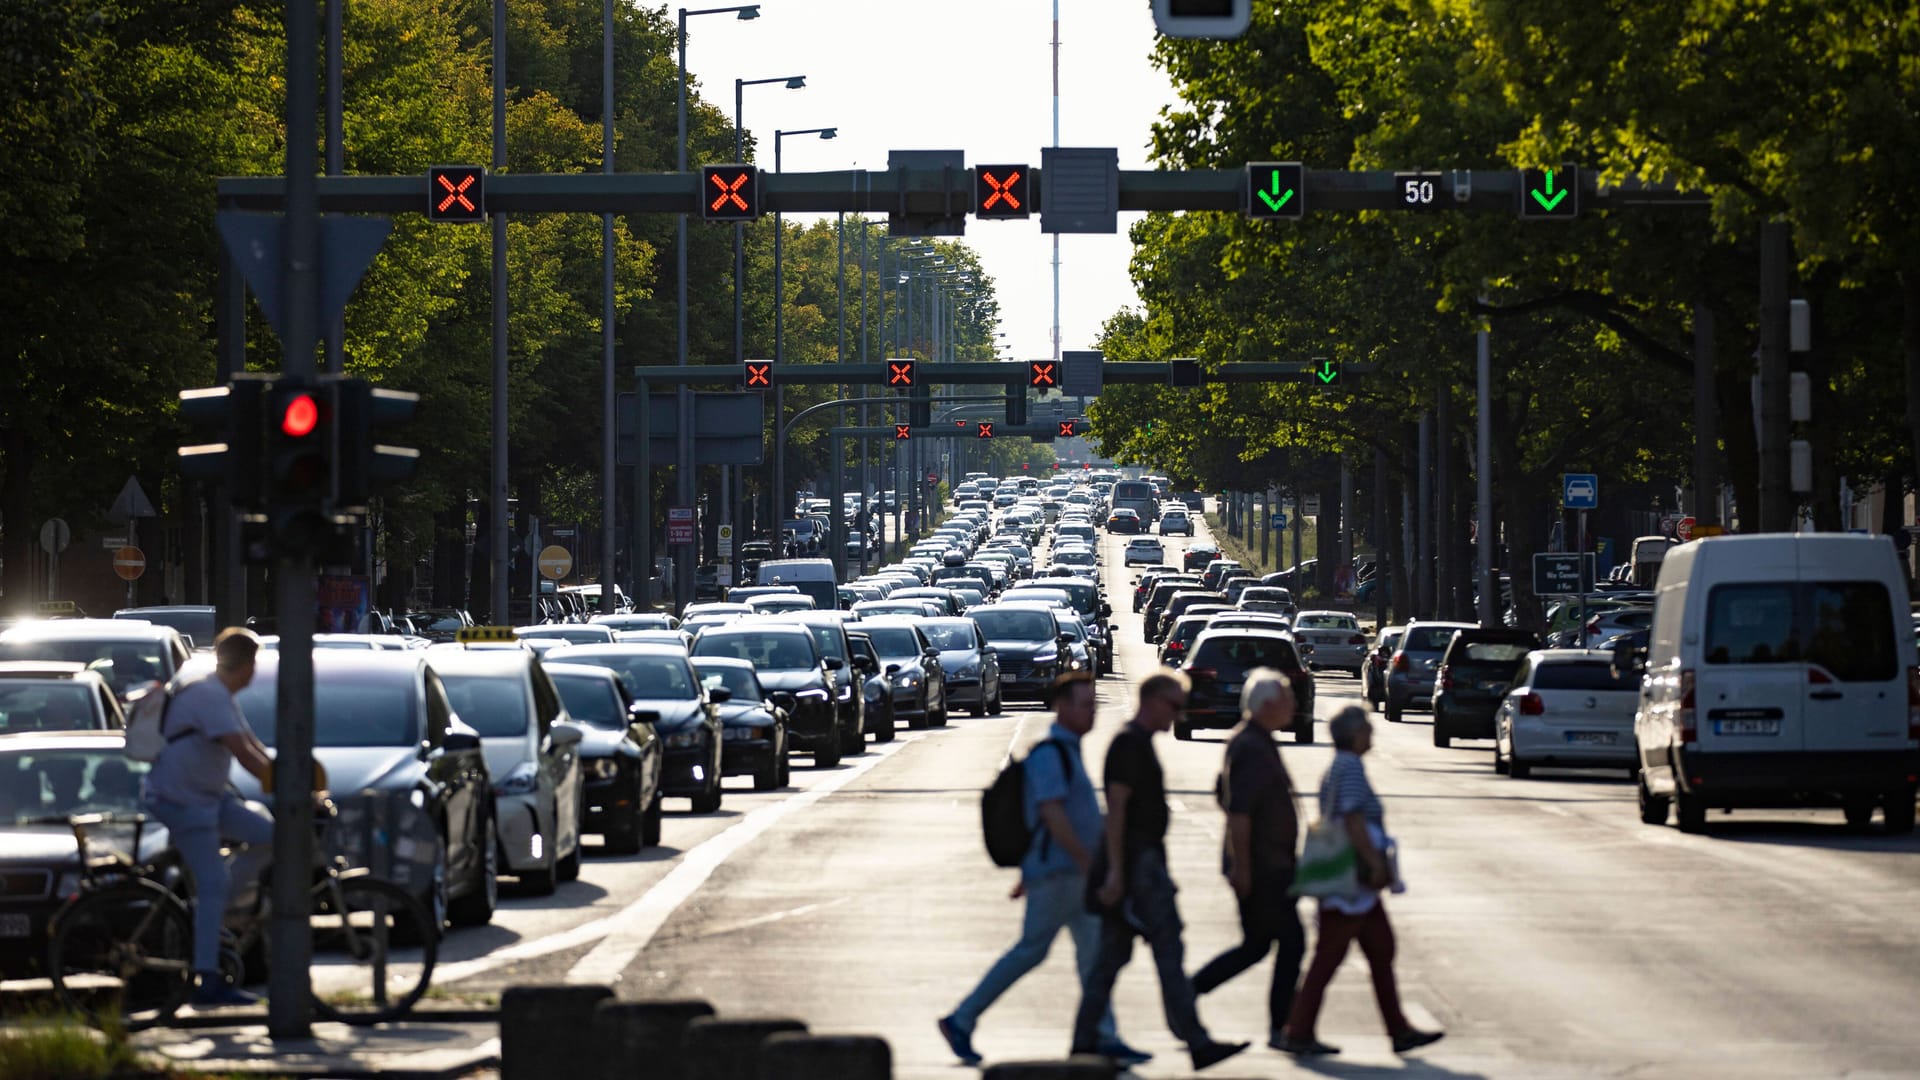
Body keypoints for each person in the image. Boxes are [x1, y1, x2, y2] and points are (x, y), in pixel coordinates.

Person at [939, 671, 1150, 1066]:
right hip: (1062, 876)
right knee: (1035, 952)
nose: (1091, 714)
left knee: (1088, 956)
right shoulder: (1051, 754)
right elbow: (1051, 815)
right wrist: (1090, 865)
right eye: (1085, 705)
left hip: (1064, 875)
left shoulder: (1067, 752)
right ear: (1062, 707)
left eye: (1093, 705)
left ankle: (1104, 1035)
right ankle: (961, 1019)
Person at [1070, 672, 1249, 1072]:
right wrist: (1116, 873)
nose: (1178, 714)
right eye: (1173, 706)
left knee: (1110, 960)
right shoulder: (1129, 746)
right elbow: (1116, 812)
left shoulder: (1138, 744)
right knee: (1169, 950)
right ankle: (1197, 1041)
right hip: (1138, 867)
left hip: (1141, 863)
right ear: (1150, 701)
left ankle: (1083, 1044)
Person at [1278, 706, 1443, 1056]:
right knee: (1328, 958)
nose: (1372, 733)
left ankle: (1399, 1030)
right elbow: (1351, 818)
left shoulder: (1341, 765)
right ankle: (1298, 1031)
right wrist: (1374, 863)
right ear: (1354, 734)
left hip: (1356, 885)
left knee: (1381, 949)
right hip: (1351, 880)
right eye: (1367, 728)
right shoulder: (1349, 766)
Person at [141, 627, 276, 1007]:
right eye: (255, 665)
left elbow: (254, 746)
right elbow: (245, 755)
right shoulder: (210, 694)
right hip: (181, 801)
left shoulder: (220, 694)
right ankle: (208, 980)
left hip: (208, 799)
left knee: (273, 835)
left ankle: (214, 913)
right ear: (247, 665)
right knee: (213, 883)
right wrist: (291, 788)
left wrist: (296, 782)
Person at [1192, 669, 1307, 1050]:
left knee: (1258, 945)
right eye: (1288, 698)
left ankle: (1189, 991)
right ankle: (1283, 1029)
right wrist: (1242, 865)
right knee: (1290, 943)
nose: (1294, 705)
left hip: (1269, 862)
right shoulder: (1252, 746)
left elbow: (1221, 793)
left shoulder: (1256, 740)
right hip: (1262, 866)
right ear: (1268, 705)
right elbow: (1239, 810)